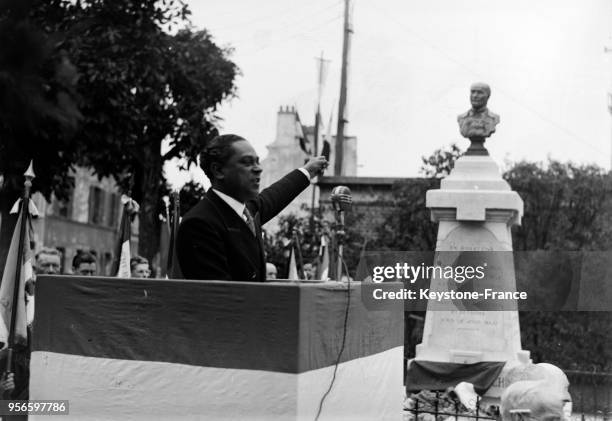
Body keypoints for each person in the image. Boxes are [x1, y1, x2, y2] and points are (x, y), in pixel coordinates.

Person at [175, 134, 327, 281]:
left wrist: (308, 171)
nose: (258, 169)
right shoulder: (199, 224)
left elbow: (276, 195)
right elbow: (218, 297)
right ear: (218, 170)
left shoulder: (247, 211)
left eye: (257, 162)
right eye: (247, 162)